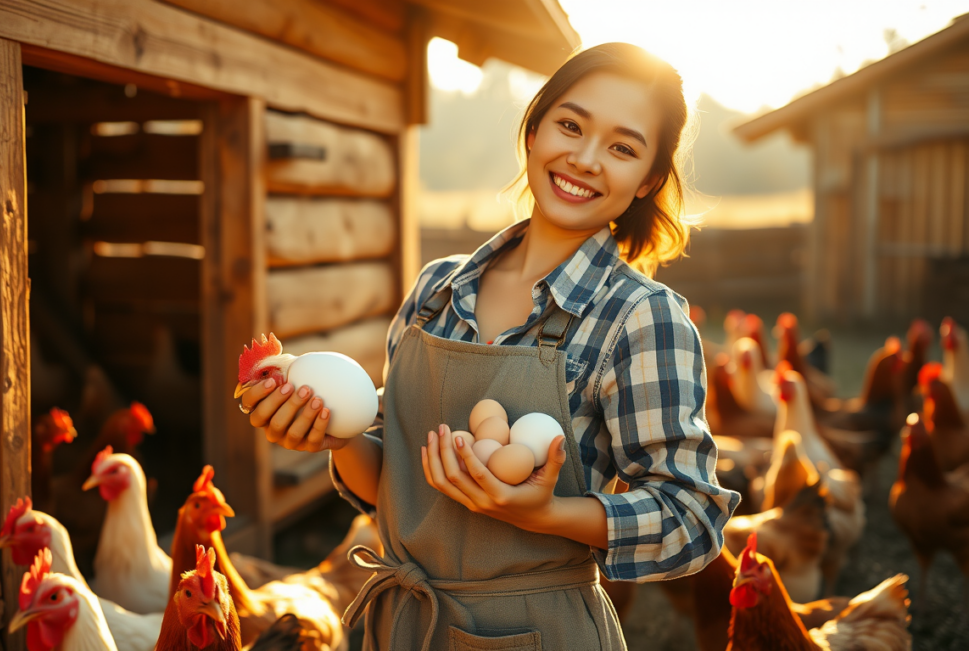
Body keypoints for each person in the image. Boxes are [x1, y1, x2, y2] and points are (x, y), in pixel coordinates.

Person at [237, 42, 740, 651]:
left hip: (542, 632)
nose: (583, 159)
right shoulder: (436, 291)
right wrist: (337, 435)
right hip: (403, 626)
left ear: (648, 180)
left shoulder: (641, 318)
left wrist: (546, 515)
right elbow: (395, 489)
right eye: (570, 125)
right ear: (534, 130)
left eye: (622, 147)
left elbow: (691, 516)